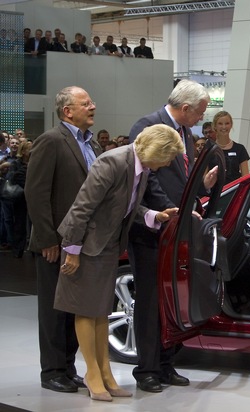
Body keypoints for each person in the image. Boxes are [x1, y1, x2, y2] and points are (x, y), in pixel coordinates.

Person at [55, 124, 183, 402]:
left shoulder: (141, 168)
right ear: (157, 150)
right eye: (169, 156)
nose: (169, 162)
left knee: (99, 312)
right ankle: (92, 374)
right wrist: (73, 250)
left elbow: (125, 206)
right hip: (85, 245)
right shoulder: (112, 162)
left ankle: (105, 373)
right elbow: (82, 207)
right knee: (86, 311)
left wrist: (153, 216)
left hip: (107, 244)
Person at [127, 79, 218, 393]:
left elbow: (180, 179)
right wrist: (170, 209)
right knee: (151, 302)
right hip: (151, 230)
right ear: (185, 108)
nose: (201, 120)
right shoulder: (148, 125)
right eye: (200, 113)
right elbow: (146, 179)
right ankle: (147, 370)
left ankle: (166, 364)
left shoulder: (187, 134)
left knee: (171, 301)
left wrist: (200, 188)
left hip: (176, 229)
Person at [25, 86, 103, 393]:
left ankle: (68, 367)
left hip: (82, 242)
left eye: (91, 101)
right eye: (86, 103)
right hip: (55, 243)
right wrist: (47, 238)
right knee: (54, 309)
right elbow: (37, 193)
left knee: (73, 307)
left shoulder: (91, 144)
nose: (92, 106)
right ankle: (52, 370)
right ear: (67, 111)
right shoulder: (52, 141)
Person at [7, 140, 32, 258]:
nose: (32, 151)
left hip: (33, 197)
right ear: (23, 151)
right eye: (29, 149)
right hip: (20, 197)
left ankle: (33, 250)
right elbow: (12, 178)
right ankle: (18, 249)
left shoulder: (36, 162)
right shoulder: (16, 164)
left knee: (34, 224)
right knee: (20, 224)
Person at [213, 110, 250, 183]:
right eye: (220, 123)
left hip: (233, 192)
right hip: (213, 192)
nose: (224, 127)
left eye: (227, 123)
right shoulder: (209, 149)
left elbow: (246, 177)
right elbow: (204, 178)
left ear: (231, 125)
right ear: (215, 126)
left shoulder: (240, 149)